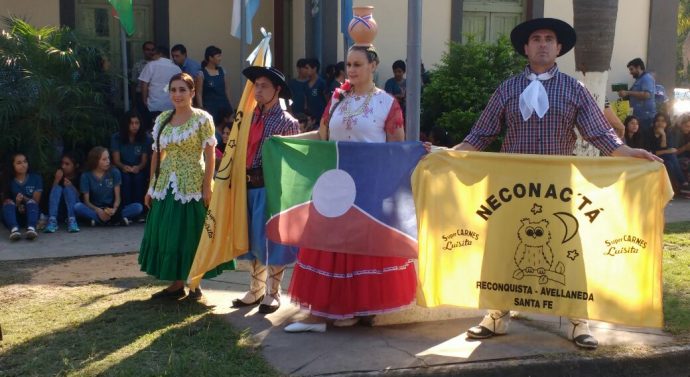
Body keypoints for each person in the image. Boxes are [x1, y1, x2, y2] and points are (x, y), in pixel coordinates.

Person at [453, 18, 659, 349]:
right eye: (536, 39)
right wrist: (446, 155)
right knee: (504, 246)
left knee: (568, 249)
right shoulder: (507, 89)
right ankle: (496, 314)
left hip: (557, 188)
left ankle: (578, 319)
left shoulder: (575, 90)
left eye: (550, 39)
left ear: (559, 48)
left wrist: (628, 151)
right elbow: (481, 134)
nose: (543, 44)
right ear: (526, 47)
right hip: (511, 187)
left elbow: (599, 133)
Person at [283, 44, 416, 333]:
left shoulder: (387, 104)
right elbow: (322, 136)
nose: (352, 70)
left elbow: (396, 148)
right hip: (334, 182)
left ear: (373, 65)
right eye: (349, 65)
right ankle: (319, 315)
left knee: (359, 249)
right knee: (326, 246)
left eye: (358, 64)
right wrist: (285, 141)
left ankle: (353, 310)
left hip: (368, 188)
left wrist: (415, 155)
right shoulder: (337, 98)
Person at [139, 72, 231, 300]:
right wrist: (151, 186)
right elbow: (157, 155)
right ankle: (177, 283)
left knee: (192, 233)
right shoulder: (162, 120)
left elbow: (210, 156)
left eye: (182, 90)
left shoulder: (202, 118)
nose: (177, 94)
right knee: (169, 233)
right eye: (173, 90)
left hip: (192, 183)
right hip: (165, 184)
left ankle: (195, 283)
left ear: (192, 92)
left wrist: (207, 187)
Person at [230, 66, 300, 314]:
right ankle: (256, 288)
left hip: (272, 187)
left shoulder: (287, 122)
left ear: (277, 90)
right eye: (256, 85)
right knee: (252, 239)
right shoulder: (248, 117)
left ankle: (273, 292)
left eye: (264, 86)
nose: (258, 90)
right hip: (248, 185)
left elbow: (292, 160)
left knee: (272, 239)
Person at [74, 147, 143, 226]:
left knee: (138, 207)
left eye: (108, 158)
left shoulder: (114, 172)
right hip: (95, 208)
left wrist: (115, 209)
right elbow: (87, 201)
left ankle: (99, 221)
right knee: (78, 207)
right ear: (95, 161)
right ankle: (114, 220)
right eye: (104, 159)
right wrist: (98, 211)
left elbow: (118, 198)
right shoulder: (86, 176)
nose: (108, 161)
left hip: (111, 208)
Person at [111, 111, 149, 208]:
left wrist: (138, 167)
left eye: (137, 123)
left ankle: (139, 210)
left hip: (138, 168)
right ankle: (127, 209)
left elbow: (144, 160)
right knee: (125, 178)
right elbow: (116, 160)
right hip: (122, 167)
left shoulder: (145, 138)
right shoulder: (117, 137)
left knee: (139, 178)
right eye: (131, 123)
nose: (134, 126)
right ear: (126, 124)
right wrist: (123, 166)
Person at [139, 45, 182, 130]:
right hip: (170, 105)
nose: (152, 56)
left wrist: (144, 100)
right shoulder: (177, 68)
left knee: (153, 131)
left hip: (153, 105)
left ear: (159, 54)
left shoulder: (151, 65)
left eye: (154, 54)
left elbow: (144, 84)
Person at [2, 153, 42, 241]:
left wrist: (24, 199)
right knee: (8, 202)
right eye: (19, 163)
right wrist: (17, 203)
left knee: (32, 203)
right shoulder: (8, 180)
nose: (23, 165)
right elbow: (4, 201)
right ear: (12, 165)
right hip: (14, 213)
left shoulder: (36, 178)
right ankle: (14, 230)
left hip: (31, 212)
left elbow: (36, 201)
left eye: (25, 162)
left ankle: (31, 229)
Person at [650, 112, 690, 194]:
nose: (660, 123)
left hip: (667, 157)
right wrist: (685, 147)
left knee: (670, 164)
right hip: (660, 157)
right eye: (687, 126)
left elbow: (664, 148)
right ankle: (683, 183)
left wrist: (663, 135)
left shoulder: (667, 132)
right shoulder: (675, 133)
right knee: (671, 157)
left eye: (663, 121)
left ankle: (676, 189)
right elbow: (672, 152)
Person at [195, 46, 233, 126]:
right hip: (210, 109)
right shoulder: (201, 74)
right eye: (218, 56)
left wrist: (230, 106)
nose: (220, 58)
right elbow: (198, 93)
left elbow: (227, 90)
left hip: (224, 107)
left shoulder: (222, 71)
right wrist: (201, 110)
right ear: (210, 58)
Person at [44, 152, 81, 233]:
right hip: (59, 210)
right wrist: (56, 180)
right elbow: (51, 198)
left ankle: (72, 221)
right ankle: (52, 220)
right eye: (62, 163)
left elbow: (81, 198)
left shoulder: (80, 177)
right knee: (57, 188)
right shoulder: (58, 176)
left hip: (74, 211)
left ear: (76, 166)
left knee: (68, 189)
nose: (63, 166)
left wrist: (71, 187)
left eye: (67, 164)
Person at [618, 58, 656, 135]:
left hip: (645, 117)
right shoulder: (639, 79)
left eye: (631, 69)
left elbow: (647, 95)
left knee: (643, 140)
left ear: (638, 67)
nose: (630, 72)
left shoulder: (646, 78)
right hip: (638, 117)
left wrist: (627, 92)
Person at [131, 41, 156, 129]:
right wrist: (134, 100)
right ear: (143, 51)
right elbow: (134, 83)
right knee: (142, 120)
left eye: (153, 50)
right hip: (140, 97)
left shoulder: (158, 65)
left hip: (154, 97)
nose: (150, 52)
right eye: (148, 49)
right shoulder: (138, 65)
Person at [303, 58, 327, 130]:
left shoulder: (321, 83)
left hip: (321, 118)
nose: (306, 71)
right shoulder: (305, 84)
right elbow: (305, 101)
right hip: (310, 119)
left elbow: (327, 99)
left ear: (314, 69)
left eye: (307, 68)